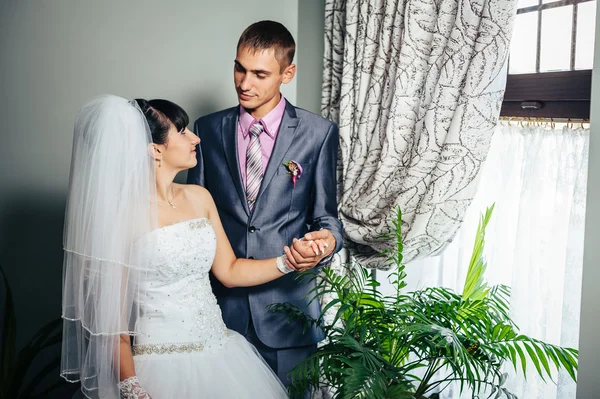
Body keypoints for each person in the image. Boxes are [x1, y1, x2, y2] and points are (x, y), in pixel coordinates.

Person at [60, 95, 315, 398]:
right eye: (181, 132)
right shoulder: (122, 218)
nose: (195, 137)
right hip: (159, 366)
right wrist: (133, 390)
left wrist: (288, 263)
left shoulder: (198, 197)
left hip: (222, 356)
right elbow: (112, 328)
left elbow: (230, 270)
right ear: (155, 150)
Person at [186, 20, 343, 393]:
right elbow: (194, 223)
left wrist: (326, 243)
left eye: (259, 73)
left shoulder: (317, 133)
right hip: (219, 314)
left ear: (287, 73)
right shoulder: (206, 129)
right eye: (239, 68)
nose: (244, 83)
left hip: (289, 314)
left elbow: (326, 217)